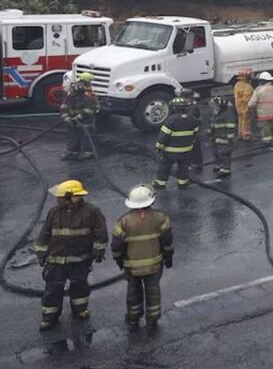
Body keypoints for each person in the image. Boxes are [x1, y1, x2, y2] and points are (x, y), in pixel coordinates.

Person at [33, 179, 108, 330]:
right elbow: (44, 234)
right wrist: (41, 253)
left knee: (79, 286)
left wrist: (98, 251)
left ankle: (80, 310)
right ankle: (49, 317)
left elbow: (101, 233)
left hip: (80, 259)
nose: (58, 199)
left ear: (71, 196)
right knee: (53, 289)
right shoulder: (54, 212)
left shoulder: (92, 211)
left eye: (61, 196)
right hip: (55, 260)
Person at [111, 185, 173, 331]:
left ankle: (133, 318)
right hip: (155, 265)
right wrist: (169, 257)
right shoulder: (161, 218)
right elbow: (167, 241)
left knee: (133, 291)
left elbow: (116, 245)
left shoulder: (124, 221)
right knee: (153, 291)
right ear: (151, 201)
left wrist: (118, 260)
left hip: (131, 267)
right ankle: (152, 320)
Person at [154, 97, 199, 190]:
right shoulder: (193, 120)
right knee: (183, 168)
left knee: (164, 167)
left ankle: (160, 184)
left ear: (174, 108)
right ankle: (182, 183)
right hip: (187, 150)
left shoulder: (171, 120)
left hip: (170, 152)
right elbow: (195, 134)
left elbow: (163, 136)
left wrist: (159, 147)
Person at [60, 73, 100, 161]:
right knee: (72, 136)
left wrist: (77, 118)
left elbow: (88, 110)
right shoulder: (70, 97)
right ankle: (72, 152)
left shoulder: (87, 97)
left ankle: (87, 152)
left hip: (86, 121)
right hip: (72, 121)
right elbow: (64, 107)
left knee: (86, 136)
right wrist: (66, 118)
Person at [248, 72, 273, 148]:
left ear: (262, 81)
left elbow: (251, 104)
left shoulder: (258, 91)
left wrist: (250, 109)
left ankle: (267, 142)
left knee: (266, 130)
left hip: (263, 116)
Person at [208, 96, 236, 178]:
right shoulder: (217, 113)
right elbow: (213, 124)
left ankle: (225, 170)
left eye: (215, 106)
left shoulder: (228, 114)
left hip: (224, 138)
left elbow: (231, 126)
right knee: (216, 152)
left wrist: (228, 137)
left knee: (224, 153)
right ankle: (219, 166)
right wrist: (210, 133)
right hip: (216, 137)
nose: (213, 108)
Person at [233, 69, 255, 141]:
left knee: (241, 120)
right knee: (246, 122)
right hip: (246, 107)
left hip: (238, 106)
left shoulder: (237, 85)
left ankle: (240, 135)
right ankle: (246, 136)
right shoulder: (248, 87)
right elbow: (247, 99)